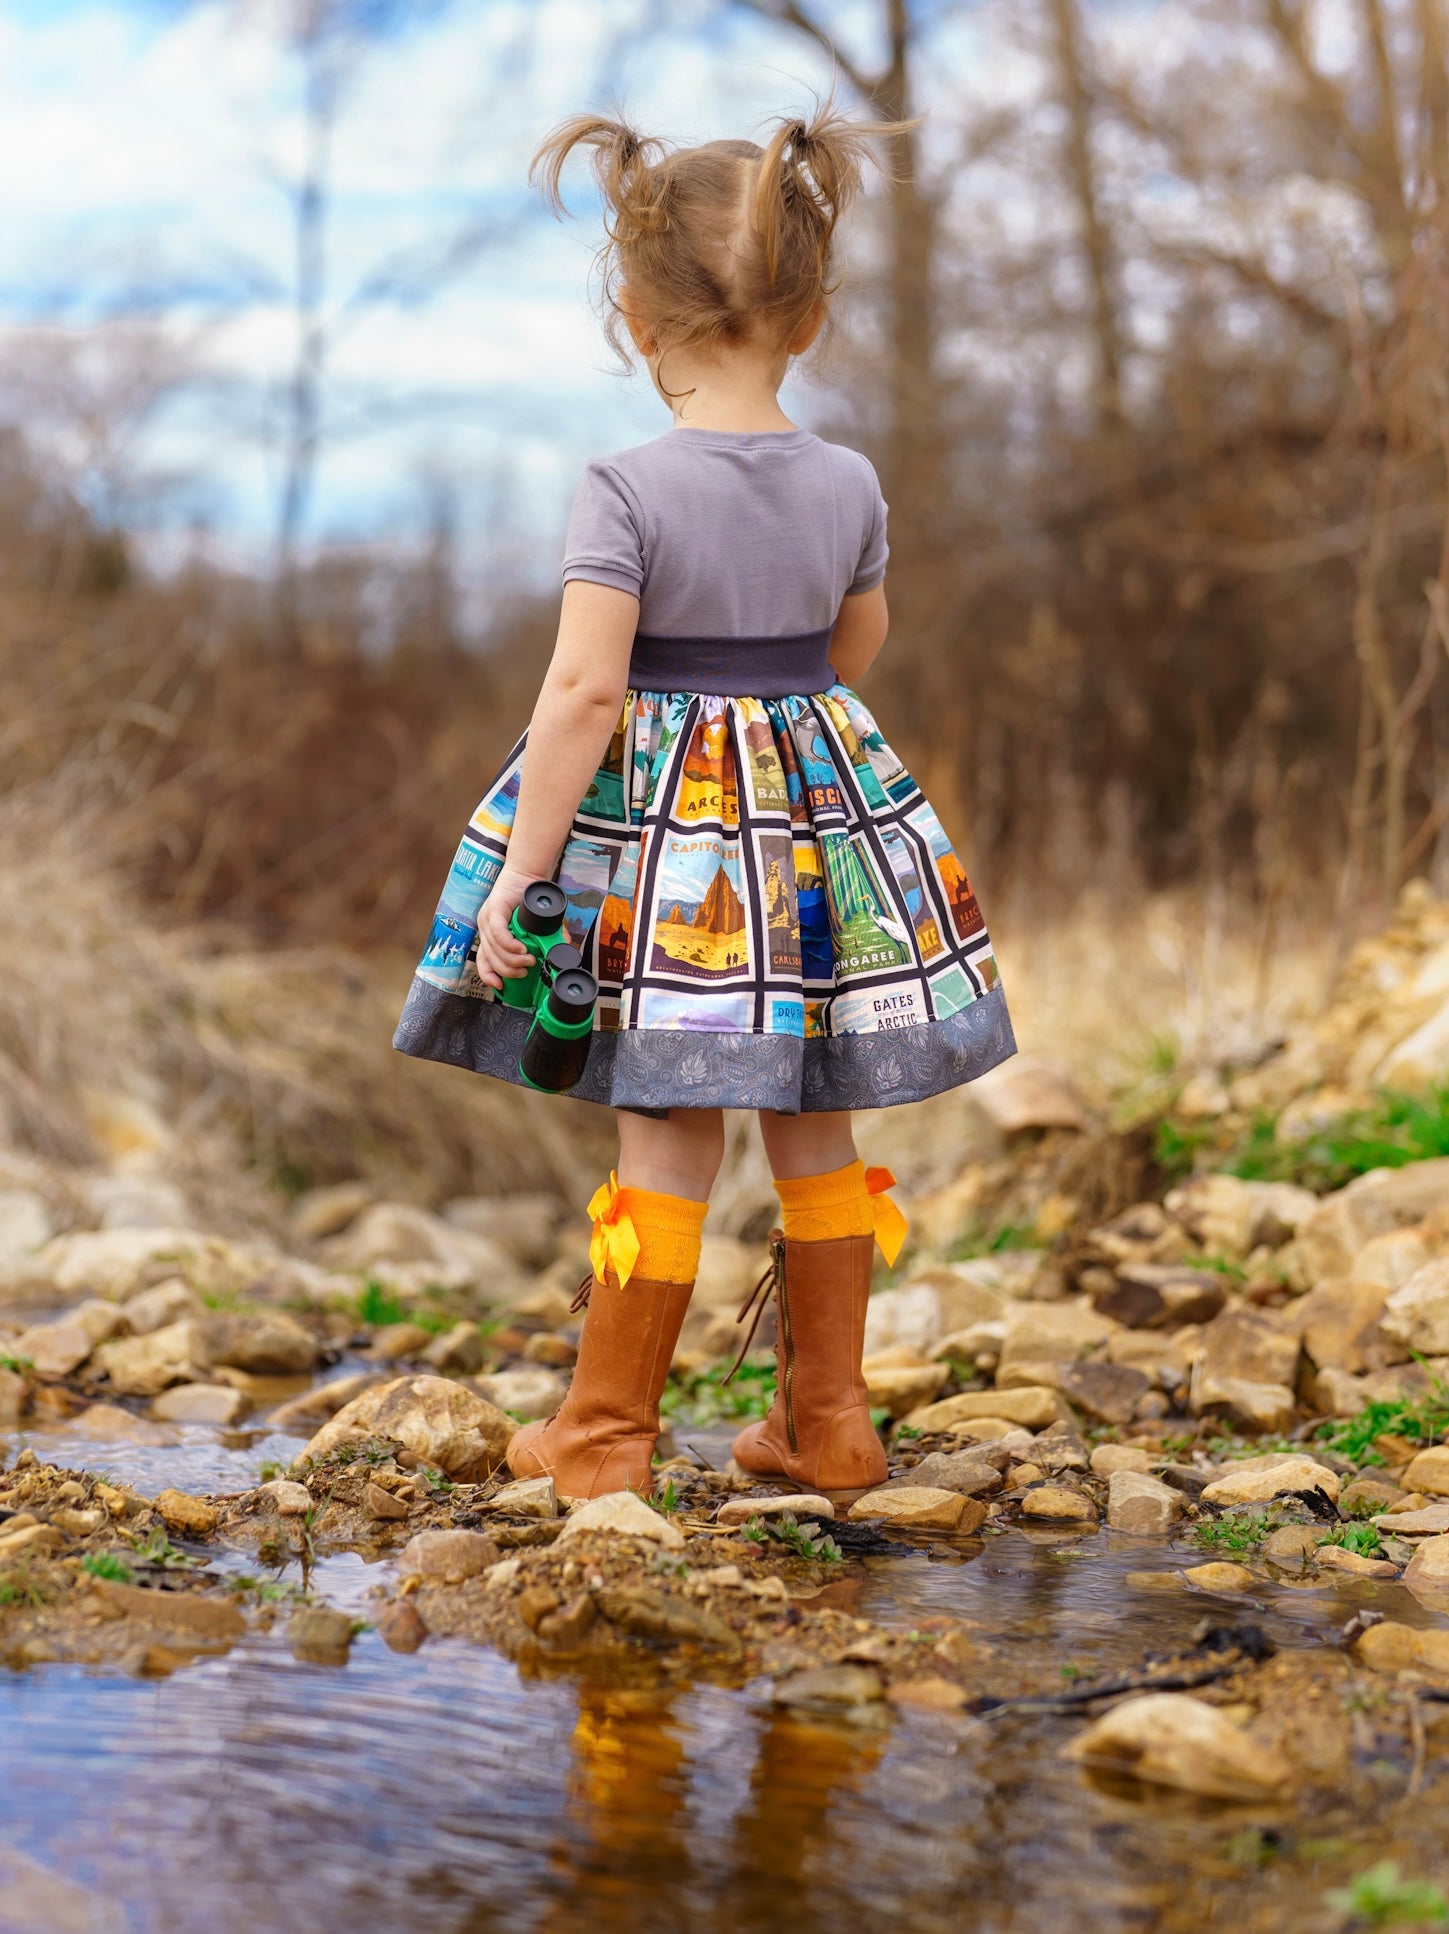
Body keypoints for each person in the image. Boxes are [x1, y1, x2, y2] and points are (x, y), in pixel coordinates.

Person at [394, 102, 1016, 1502]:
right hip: (809, 853)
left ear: (635, 308)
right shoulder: (847, 481)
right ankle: (831, 1424)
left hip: (671, 873)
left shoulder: (626, 487)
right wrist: (784, 714)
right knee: (815, 1119)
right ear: (809, 314)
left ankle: (607, 1436)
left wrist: (520, 877)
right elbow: (858, 648)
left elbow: (584, 694)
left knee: (667, 1127)